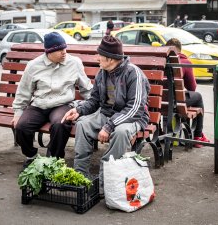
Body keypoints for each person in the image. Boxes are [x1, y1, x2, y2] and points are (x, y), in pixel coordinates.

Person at [62, 36, 151, 190]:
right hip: (106, 113)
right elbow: (94, 100)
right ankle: (80, 176)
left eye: (100, 55)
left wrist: (109, 126)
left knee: (121, 133)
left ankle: (106, 180)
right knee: (83, 124)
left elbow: (134, 108)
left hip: (132, 118)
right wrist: (79, 110)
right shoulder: (101, 73)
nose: (98, 58)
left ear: (110, 59)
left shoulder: (134, 73)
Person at [12, 32, 93, 168]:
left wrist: (95, 105)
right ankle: (31, 156)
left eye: (65, 48)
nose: (64, 52)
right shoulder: (33, 65)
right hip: (39, 104)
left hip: (62, 104)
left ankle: (53, 161)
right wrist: (18, 112)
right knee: (21, 126)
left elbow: (87, 88)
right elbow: (23, 91)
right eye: (59, 50)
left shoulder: (74, 63)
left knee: (60, 124)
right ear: (49, 52)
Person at [166, 38, 210, 148]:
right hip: (175, 103)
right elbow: (192, 87)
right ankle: (197, 136)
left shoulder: (159, 61)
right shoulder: (184, 62)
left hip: (158, 102)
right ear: (180, 50)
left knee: (182, 97)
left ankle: (166, 133)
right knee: (197, 97)